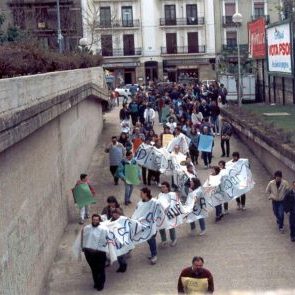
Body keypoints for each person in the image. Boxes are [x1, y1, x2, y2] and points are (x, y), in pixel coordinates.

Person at [81, 214, 107, 291]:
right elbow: (83, 237)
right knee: (94, 269)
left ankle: (101, 284)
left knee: (101, 269)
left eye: (96, 220)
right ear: (92, 220)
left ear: (99, 220)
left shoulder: (103, 229)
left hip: (100, 253)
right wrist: (83, 247)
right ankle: (96, 283)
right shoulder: (87, 228)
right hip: (89, 253)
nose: (95, 221)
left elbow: (104, 241)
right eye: (94, 220)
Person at [140, 187, 158, 264]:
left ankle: (154, 255)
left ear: (146, 193)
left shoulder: (154, 202)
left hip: (152, 224)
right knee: (148, 240)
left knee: (151, 239)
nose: (140, 195)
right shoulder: (141, 202)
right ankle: (153, 253)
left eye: (141, 193)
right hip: (144, 225)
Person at [158, 182, 177, 247]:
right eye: (161, 187)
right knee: (161, 227)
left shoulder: (172, 194)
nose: (162, 188)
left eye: (164, 187)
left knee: (171, 226)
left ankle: (173, 239)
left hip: (170, 213)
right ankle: (164, 240)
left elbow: (173, 203)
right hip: (162, 214)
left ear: (167, 187)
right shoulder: (160, 194)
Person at [110, 208, 128, 273]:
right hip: (116, 240)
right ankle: (121, 266)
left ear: (119, 214)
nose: (115, 215)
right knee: (118, 254)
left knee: (121, 254)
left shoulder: (123, 219)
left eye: (116, 214)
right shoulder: (111, 220)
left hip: (122, 239)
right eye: (113, 214)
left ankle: (123, 265)